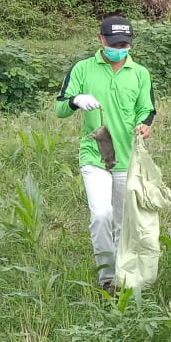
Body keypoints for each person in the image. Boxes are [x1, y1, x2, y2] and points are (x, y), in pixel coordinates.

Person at [55, 15, 156, 293]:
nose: (119, 48)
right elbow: (60, 108)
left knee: (125, 222)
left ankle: (127, 279)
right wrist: (76, 101)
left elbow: (147, 109)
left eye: (124, 44)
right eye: (114, 43)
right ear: (100, 40)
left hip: (127, 157)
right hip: (95, 154)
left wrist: (144, 125)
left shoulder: (140, 73)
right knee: (101, 215)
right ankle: (108, 280)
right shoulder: (83, 69)